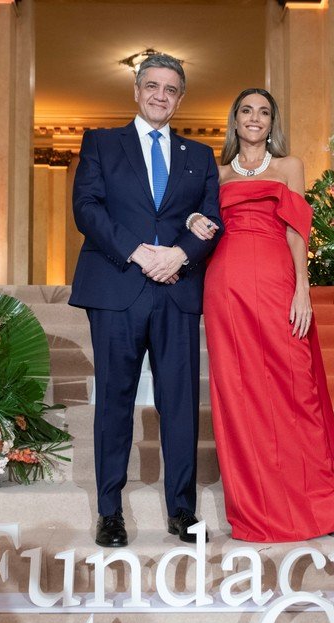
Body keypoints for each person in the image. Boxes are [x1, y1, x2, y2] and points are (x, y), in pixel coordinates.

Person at [193, 88, 334, 543]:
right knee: (239, 391)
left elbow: (296, 230)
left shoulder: (289, 167)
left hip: (275, 279)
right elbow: (200, 224)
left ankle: (312, 498)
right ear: (235, 119)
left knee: (294, 386)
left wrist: (302, 288)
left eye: (264, 112)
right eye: (246, 110)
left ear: (272, 123)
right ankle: (255, 505)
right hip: (224, 285)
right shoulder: (216, 171)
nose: (255, 118)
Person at [69, 54, 222, 547]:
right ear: (136, 90)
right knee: (114, 400)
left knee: (180, 403)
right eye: (152, 86)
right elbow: (86, 208)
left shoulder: (200, 154)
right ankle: (109, 512)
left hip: (176, 290)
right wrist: (136, 252)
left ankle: (182, 511)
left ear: (181, 98)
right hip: (117, 286)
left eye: (171, 89)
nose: (160, 95)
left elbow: (210, 220)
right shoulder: (101, 143)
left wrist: (179, 254)